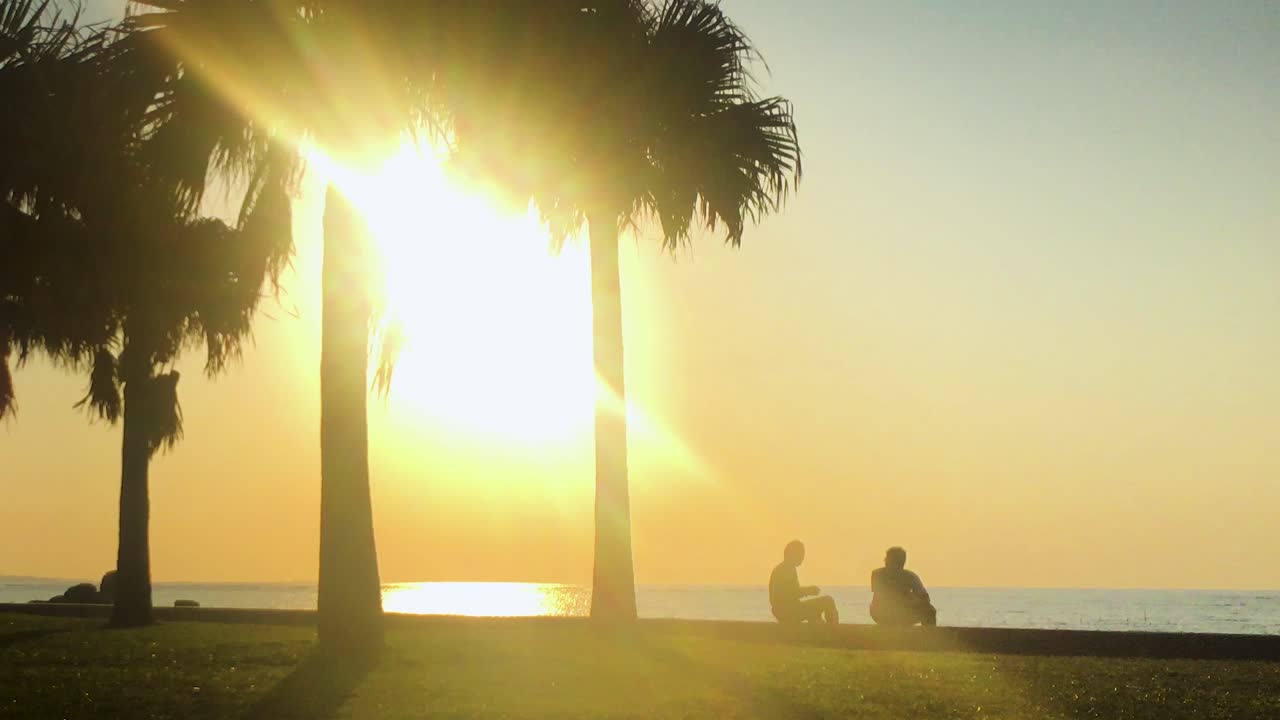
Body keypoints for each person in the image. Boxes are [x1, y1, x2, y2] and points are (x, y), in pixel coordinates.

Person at [769, 540, 839, 624]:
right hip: (788, 612)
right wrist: (809, 591)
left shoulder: (781, 568)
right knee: (828, 601)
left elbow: (789, 594)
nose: (802, 557)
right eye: (800, 554)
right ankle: (834, 629)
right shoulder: (786, 569)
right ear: (792, 554)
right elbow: (790, 593)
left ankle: (818, 629)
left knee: (815, 614)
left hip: (783, 611)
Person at [870, 546, 937, 626]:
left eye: (887, 558)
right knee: (929, 611)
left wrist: (911, 600)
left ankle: (927, 635)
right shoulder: (878, 574)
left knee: (929, 610)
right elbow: (882, 596)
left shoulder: (910, 576)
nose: (885, 560)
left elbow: (925, 598)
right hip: (883, 613)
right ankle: (928, 636)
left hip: (894, 612)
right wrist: (909, 598)